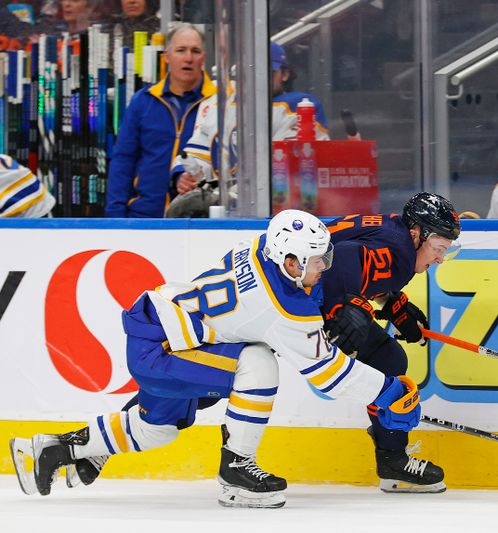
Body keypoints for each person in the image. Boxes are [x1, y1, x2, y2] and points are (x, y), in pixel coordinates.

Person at [10, 209, 424, 509]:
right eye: (317, 261)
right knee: (258, 363)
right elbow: (328, 375)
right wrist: (387, 390)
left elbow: (290, 298)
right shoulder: (283, 309)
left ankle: (53, 451)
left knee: (158, 430)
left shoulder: (262, 247)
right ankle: (236, 472)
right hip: (164, 348)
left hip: (165, 333)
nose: (324, 267)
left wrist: (362, 302)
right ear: (291, 261)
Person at [316, 192, 460, 493]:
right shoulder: (400, 251)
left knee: (388, 359)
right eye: (438, 248)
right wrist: (344, 306)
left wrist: (394, 304)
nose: (439, 258)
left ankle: (393, 462)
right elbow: (343, 259)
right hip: (288, 299)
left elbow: (361, 261)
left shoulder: (394, 233)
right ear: (416, 233)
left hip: (300, 290)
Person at [168, 41, 330, 206]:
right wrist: (184, 176)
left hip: (278, 208)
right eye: (249, 71)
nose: (256, 78)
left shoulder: (301, 107)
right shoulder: (222, 106)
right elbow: (195, 154)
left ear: (284, 74)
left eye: (266, 71)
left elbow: (289, 167)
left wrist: (228, 194)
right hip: (223, 209)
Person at [104, 23, 215, 218]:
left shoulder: (218, 102)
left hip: (198, 218)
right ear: (167, 57)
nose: (188, 58)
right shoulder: (143, 100)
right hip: (143, 217)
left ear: (203, 58)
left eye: (195, 51)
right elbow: (123, 160)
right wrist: (115, 216)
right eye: (181, 50)